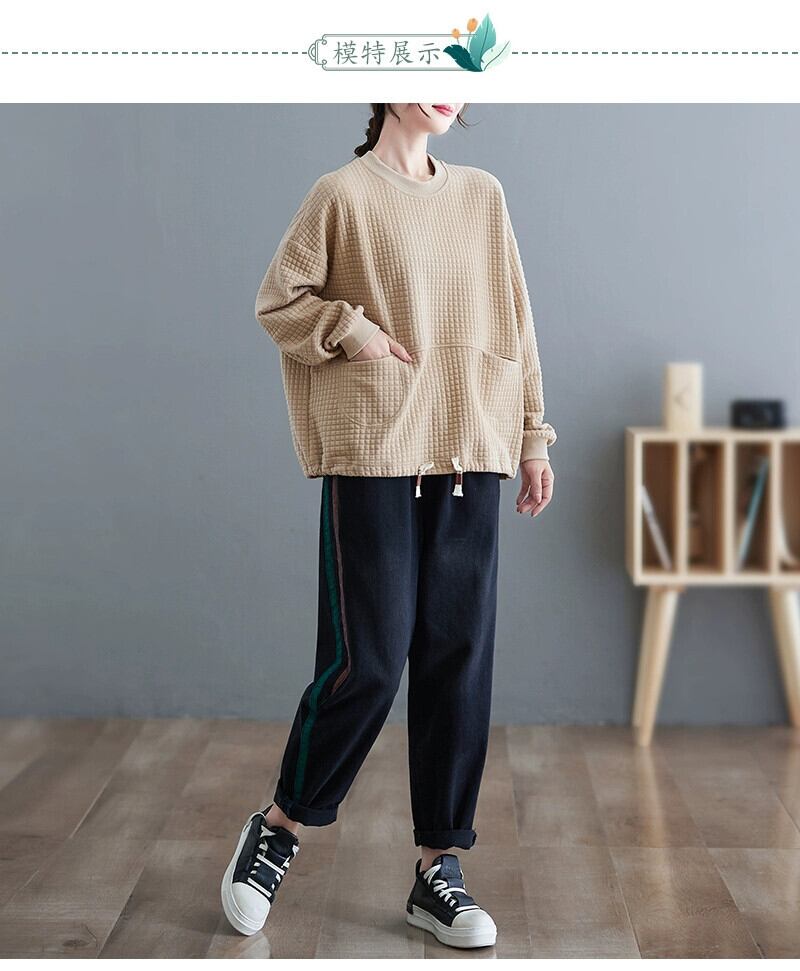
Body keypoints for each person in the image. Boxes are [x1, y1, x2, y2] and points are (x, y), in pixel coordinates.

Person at [220, 103, 556, 949]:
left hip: (471, 446)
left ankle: (439, 867)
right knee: (365, 661)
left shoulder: (482, 195)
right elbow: (280, 300)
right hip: (376, 447)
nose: (445, 90)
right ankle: (280, 825)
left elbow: (515, 320)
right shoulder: (341, 195)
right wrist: (351, 329)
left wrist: (533, 435)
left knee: (457, 657)